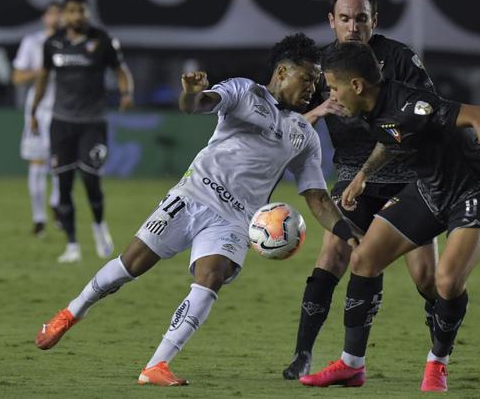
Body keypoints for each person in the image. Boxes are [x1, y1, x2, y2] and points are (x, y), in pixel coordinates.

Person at [34, 33, 361, 386]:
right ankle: (70, 313)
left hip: (234, 221)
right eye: (308, 78)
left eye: (316, 81)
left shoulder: (304, 135)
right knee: (129, 267)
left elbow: (317, 198)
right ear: (282, 72)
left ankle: (156, 365)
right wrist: (191, 92)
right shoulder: (243, 92)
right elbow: (196, 105)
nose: (313, 88)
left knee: (210, 278)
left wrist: (347, 233)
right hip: (192, 196)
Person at [299, 42, 480, 391]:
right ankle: (352, 365)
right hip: (429, 190)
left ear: (356, 86)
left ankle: (437, 364)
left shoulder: (413, 104)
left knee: (445, 281)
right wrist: (362, 176)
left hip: (472, 193)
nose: (331, 94)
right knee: (364, 258)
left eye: (334, 86)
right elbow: (392, 138)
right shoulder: (373, 109)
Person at [283, 0, 439, 379]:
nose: (354, 27)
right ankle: (303, 354)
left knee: (427, 279)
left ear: (375, 21)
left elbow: (425, 115)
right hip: (353, 174)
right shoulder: (318, 70)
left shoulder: (400, 59)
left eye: (362, 19)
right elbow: (284, 122)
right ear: (331, 21)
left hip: (409, 178)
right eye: (346, 19)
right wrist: (317, 111)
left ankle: (439, 355)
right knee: (333, 254)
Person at [30, 0, 134, 263]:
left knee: (90, 179)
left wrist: (126, 93)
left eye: (82, 11)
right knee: (63, 184)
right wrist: (33, 111)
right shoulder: (52, 44)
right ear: (65, 14)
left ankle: (99, 226)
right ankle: (72, 245)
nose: (78, 16)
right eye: (73, 11)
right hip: (61, 123)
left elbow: (121, 70)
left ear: (88, 12)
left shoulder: (102, 40)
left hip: (92, 123)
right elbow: (42, 79)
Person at [12, 1, 62, 237]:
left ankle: (57, 206)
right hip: (39, 109)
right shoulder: (32, 43)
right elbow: (18, 76)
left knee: (61, 163)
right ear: (45, 17)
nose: (56, 18)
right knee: (37, 163)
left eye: (59, 14)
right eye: (52, 13)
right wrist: (41, 71)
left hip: (65, 108)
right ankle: (39, 218)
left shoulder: (70, 44)